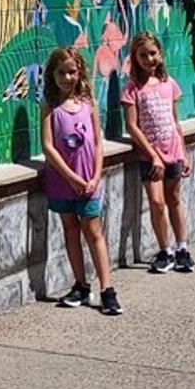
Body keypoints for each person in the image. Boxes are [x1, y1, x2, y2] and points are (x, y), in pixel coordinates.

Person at [40, 47, 122, 315]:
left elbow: (97, 142)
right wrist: (71, 177)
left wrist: (95, 176)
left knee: (93, 231)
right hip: (63, 181)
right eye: (61, 73)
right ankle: (81, 285)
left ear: (80, 73)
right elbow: (48, 146)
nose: (67, 78)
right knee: (70, 229)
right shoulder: (50, 107)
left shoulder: (88, 104)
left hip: (88, 182)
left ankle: (107, 289)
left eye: (71, 72)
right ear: (52, 75)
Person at [122, 31, 194, 274]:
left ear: (160, 54)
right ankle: (165, 250)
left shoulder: (169, 84)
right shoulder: (132, 89)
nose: (149, 59)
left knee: (173, 199)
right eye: (142, 55)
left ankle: (182, 248)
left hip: (173, 152)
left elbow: (176, 121)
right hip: (151, 157)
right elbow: (132, 126)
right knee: (156, 201)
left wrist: (184, 152)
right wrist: (153, 155)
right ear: (135, 58)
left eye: (152, 53)